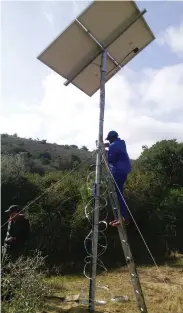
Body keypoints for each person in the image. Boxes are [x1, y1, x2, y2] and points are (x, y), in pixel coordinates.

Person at [105, 131, 131, 226]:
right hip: (124, 171)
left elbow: (111, 159)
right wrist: (108, 146)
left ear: (111, 138)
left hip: (118, 171)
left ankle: (123, 218)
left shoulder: (113, 146)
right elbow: (115, 147)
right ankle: (119, 217)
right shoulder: (121, 143)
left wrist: (107, 152)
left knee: (118, 195)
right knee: (118, 194)